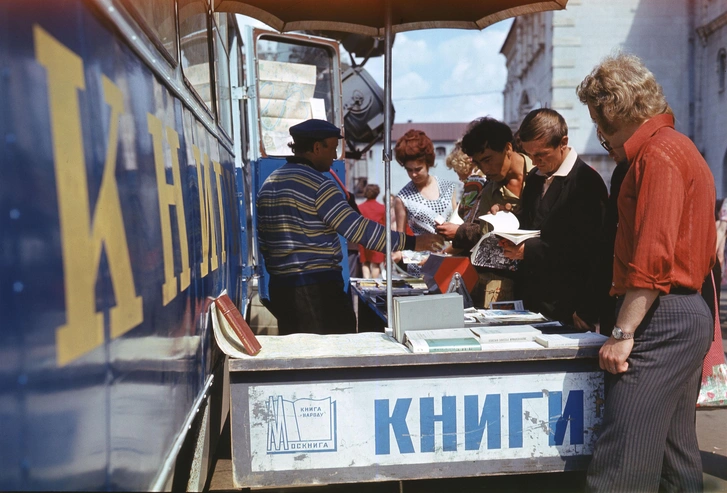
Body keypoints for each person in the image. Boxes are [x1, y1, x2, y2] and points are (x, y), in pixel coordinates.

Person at [577, 53, 716, 493]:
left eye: (600, 123)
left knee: (622, 464)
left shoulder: (657, 155)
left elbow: (653, 257)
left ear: (613, 110)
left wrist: (622, 334)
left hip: (661, 315)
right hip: (682, 311)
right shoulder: (679, 146)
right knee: (676, 462)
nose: (601, 136)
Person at [256, 119, 442, 335]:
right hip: (317, 290)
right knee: (334, 357)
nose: (335, 156)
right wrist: (412, 242)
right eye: (333, 148)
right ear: (317, 147)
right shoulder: (320, 185)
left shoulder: (270, 183)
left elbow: (264, 241)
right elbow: (358, 230)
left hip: (281, 287)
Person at [499, 108, 608, 327]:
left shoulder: (586, 182)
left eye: (541, 155)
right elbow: (535, 225)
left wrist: (586, 312)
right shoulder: (536, 178)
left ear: (563, 142)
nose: (536, 161)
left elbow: (594, 253)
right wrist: (507, 220)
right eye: (530, 155)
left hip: (569, 306)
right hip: (533, 303)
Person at [436, 117, 534, 308]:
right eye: (480, 164)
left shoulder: (541, 172)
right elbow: (483, 238)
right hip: (505, 290)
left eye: (488, 160)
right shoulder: (489, 192)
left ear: (508, 148)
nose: (485, 169)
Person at [393, 129, 457, 235]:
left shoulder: (448, 187)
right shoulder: (402, 198)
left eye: (418, 169)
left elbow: (456, 223)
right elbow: (401, 238)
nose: (414, 174)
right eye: (409, 170)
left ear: (428, 163)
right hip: (422, 251)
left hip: (452, 250)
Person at [444, 141, 486, 221]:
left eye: (455, 170)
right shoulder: (483, 176)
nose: (458, 176)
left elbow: (468, 216)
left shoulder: (472, 183)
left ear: (460, 165)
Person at [357, 184, 386, 278]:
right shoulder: (382, 208)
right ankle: (374, 284)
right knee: (376, 264)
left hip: (363, 237)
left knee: (365, 262)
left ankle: (366, 283)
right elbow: (385, 225)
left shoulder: (360, 207)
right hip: (378, 237)